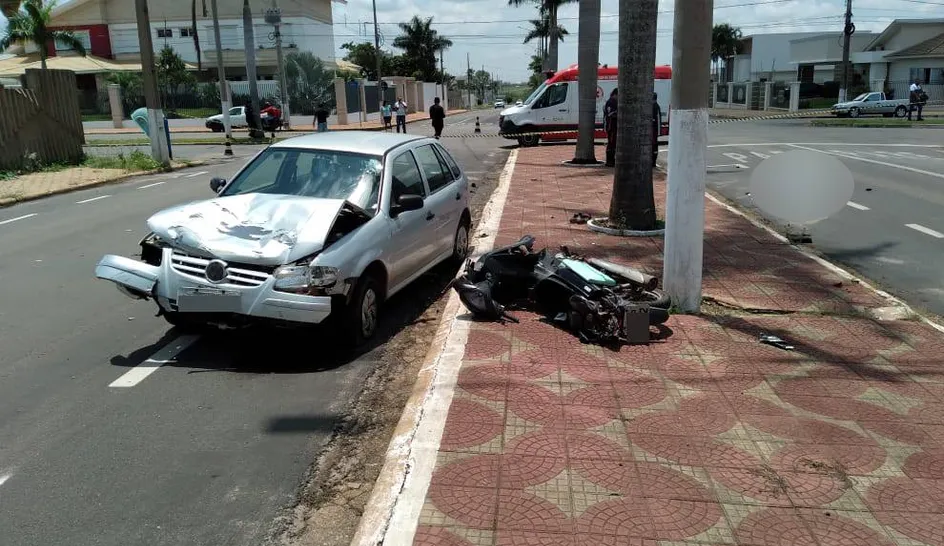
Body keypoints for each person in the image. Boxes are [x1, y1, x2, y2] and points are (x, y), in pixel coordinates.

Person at [603, 89, 618, 167]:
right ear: (615, 94)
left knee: (613, 143)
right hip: (611, 126)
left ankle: (612, 160)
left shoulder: (614, 102)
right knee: (611, 143)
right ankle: (609, 161)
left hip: (614, 126)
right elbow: (609, 114)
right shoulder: (610, 102)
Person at [652, 92, 662, 167]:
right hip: (652, 131)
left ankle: (653, 162)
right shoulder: (652, 106)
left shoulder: (656, 106)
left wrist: (658, 133)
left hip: (654, 131)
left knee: (654, 146)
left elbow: (658, 120)